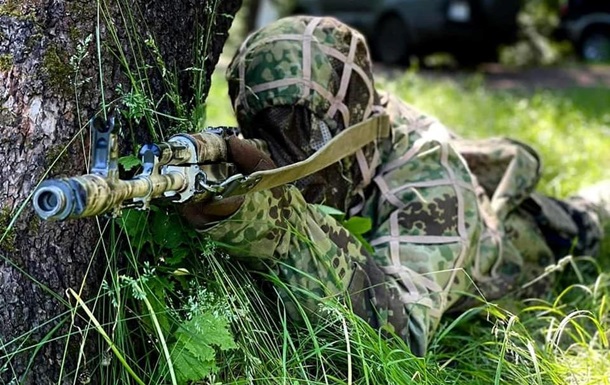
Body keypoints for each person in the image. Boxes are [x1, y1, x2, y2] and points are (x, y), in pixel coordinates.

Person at [181, 16, 609, 356]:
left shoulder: (429, 177)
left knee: (590, 215)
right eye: (270, 129)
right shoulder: (351, 116)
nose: (293, 149)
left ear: (354, 121)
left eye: (311, 134)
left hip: (523, 243)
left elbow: (400, 341)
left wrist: (278, 226)